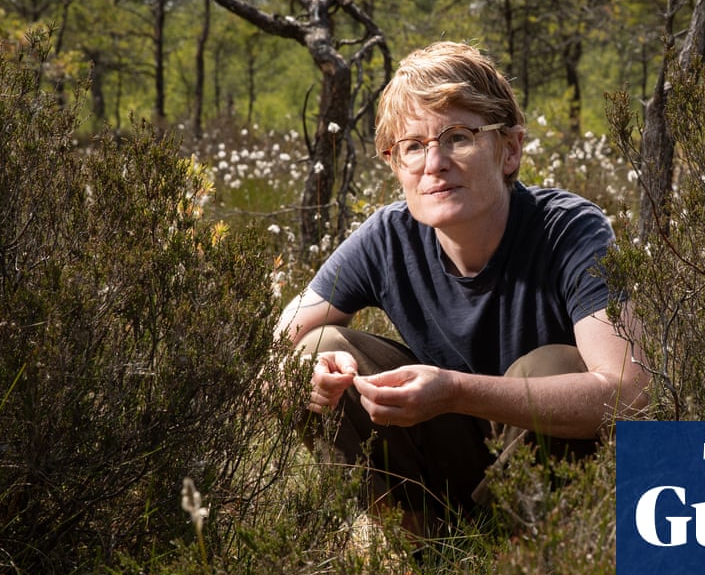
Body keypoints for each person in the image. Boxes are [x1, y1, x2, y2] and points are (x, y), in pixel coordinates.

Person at [275, 41, 646, 536]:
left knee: (552, 364)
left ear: (509, 149)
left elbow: (629, 391)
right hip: (442, 472)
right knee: (319, 347)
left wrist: (454, 392)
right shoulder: (388, 236)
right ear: (394, 163)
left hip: (544, 478)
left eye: (458, 137)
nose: (434, 163)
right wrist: (307, 377)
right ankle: (418, 543)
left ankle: (524, 550)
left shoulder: (570, 230)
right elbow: (273, 351)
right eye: (412, 146)